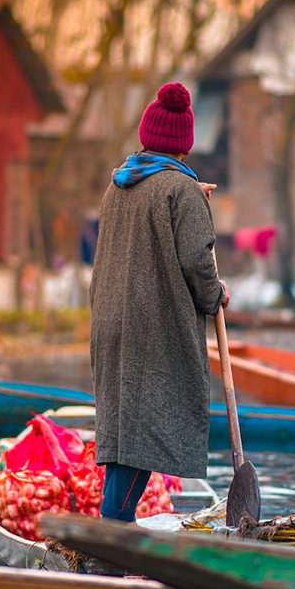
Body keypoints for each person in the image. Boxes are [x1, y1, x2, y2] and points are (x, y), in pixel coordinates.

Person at [89, 81, 230, 522]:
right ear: (184, 144)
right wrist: (217, 295)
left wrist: (192, 199)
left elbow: (158, 221)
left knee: (124, 431)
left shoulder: (121, 184)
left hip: (112, 323)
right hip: (153, 332)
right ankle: (113, 530)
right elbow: (198, 263)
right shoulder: (179, 190)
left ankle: (113, 524)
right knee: (145, 431)